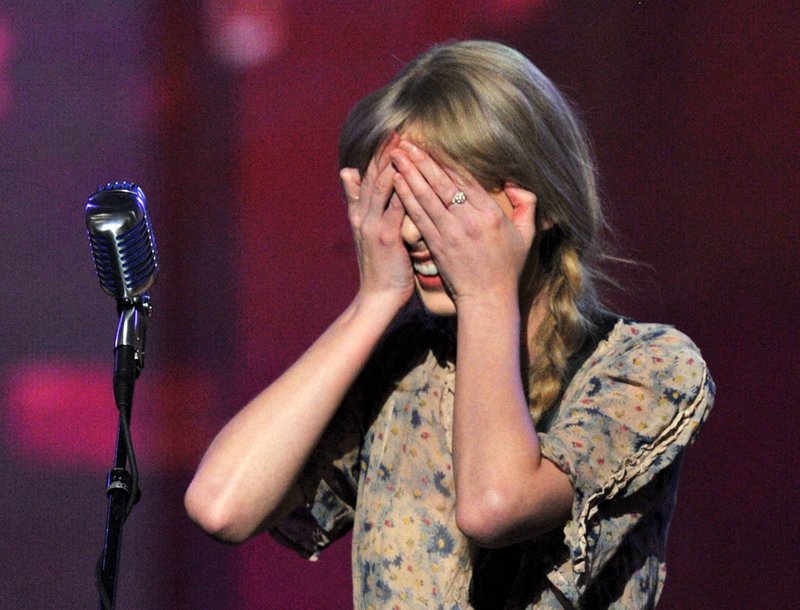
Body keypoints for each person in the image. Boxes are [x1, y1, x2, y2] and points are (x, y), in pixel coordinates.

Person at [185, 40, 714, 608]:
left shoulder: (645, 365)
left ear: (534, 203)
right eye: (398, 202)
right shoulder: (405, 363)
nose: (413, 234)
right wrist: (375, 299)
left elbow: (492, 505)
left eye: (443, 202)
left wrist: (487, 291)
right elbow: (222, 504)